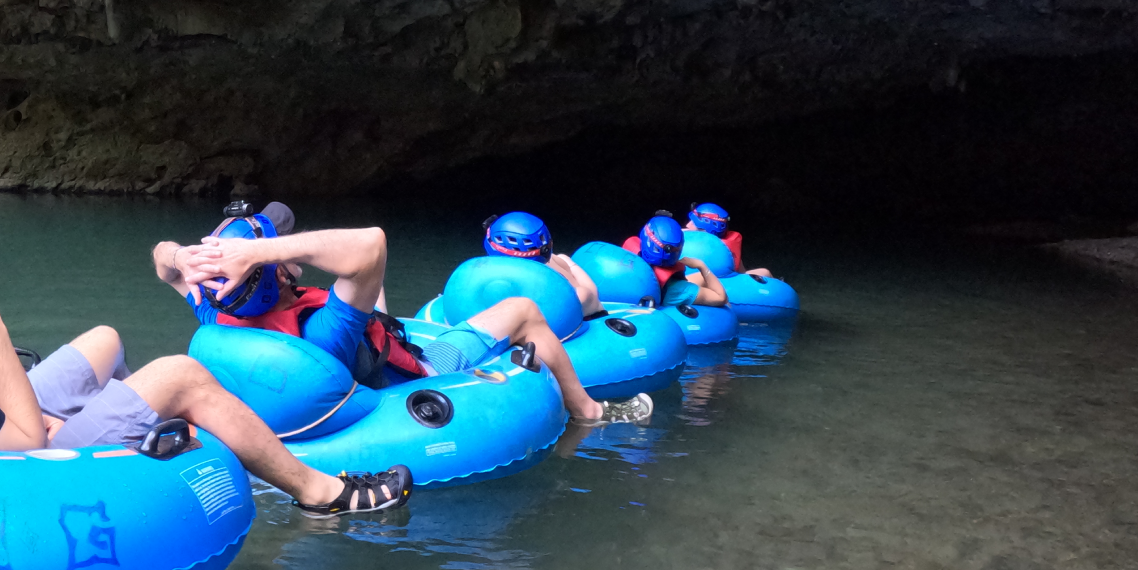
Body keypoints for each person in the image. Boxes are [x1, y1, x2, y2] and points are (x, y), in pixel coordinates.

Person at [0, 169, 412, 516]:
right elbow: (21, 451)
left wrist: (192, 257)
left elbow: (164, 263)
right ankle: (322, 496)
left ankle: (115, 435)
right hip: (17, 464)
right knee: (177, 373)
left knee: (104, 339)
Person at [154, 201, 649, 424]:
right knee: (522, 309)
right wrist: (264, 250)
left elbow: (161, 258)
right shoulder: (324, 330)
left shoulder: (214, 311)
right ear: (281, 274)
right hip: (407, 373)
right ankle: (589, 412)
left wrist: (181, 258)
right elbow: (371, 245)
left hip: (354, 362)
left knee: (371, 287)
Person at [483, 210, 603, 315]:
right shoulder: (555, 259)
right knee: (563, 259)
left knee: (582, 294)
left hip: (581, 312)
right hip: (589, 301)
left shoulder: (537, 282)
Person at [623, 212, 727, 307]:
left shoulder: (630, 257)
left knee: (699, 277)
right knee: (706, 281)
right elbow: (721, 297)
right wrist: (701, 265)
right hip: (668, 295)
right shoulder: (681, 290)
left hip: (642, 292)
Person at [685, 202, 772, 278]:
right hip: (726, 282)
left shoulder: (697, 247)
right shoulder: (727, 245)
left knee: (764, 272)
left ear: (705, 230)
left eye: (693, 222)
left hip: (722, 285)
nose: (687, 225)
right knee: (765, 272)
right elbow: (741, 271)